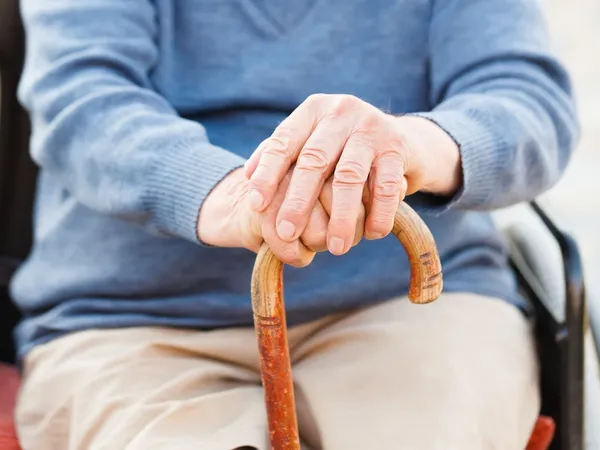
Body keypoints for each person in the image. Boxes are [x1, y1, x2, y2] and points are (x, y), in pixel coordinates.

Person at [12, 0, 578, 449]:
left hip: (406, 308)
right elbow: (82, 99)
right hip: (131, 318)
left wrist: (404, 150)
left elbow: (524, 99)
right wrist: (236, 195)